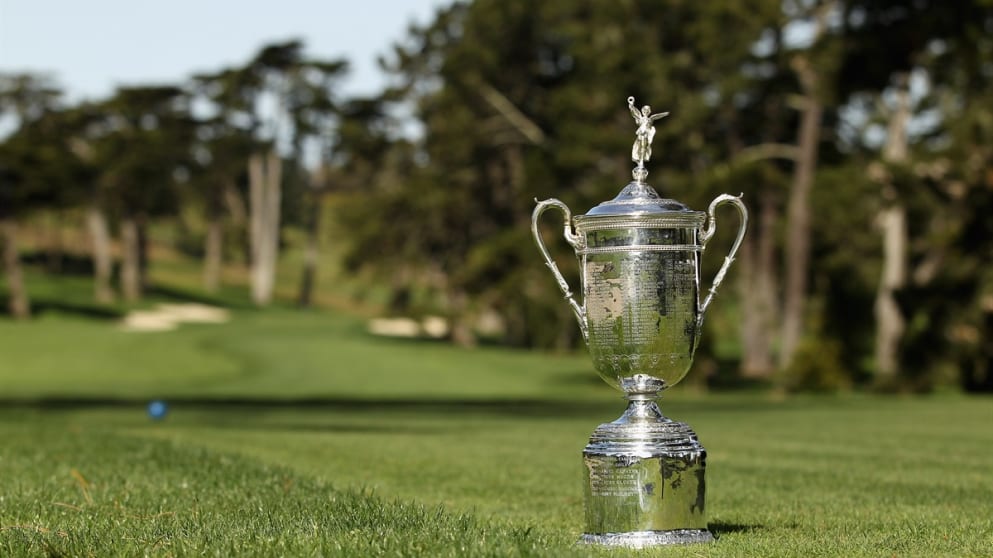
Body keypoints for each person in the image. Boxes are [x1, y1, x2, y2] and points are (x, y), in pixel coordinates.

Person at [628, 96, 669, 165]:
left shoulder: (650, 119)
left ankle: (642, 160)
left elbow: (657, 116)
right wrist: (631, 105)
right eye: (644, 110)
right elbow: (634, 112)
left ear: (649, 112)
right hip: (640, 134)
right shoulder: (640, 117)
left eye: (647, 111)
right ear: (642, 111)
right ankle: (639, 159)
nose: (645, 112)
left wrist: (665, 114)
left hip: (646, 134)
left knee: (644, 146)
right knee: (638, 146)